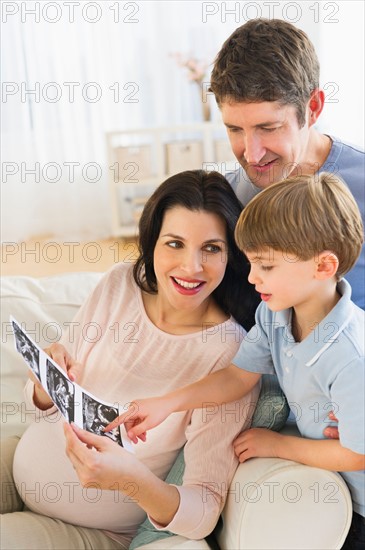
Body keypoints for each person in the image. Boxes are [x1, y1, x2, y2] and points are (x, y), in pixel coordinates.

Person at [0, 170, 260, 550]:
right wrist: (43, 387)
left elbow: (203, 511)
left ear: (231, 255)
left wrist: (128, 480)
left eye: (211, 248)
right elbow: (45, 409)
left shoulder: (231, 359)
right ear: (152, 243)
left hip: (92, 531)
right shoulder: (120, 284)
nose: (191, 267)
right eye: (175, 243)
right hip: (19, 465)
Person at [115, 173, 364, 549]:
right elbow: (236, 375)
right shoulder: (275, 314)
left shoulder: (351, 357)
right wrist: (166, 403)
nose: (251, 277)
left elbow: (356, 454)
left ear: (324, 267)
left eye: (266, 266)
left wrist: (278, 446)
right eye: (250, 263)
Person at [211, 18, 364, 311]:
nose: (252, 156)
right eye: (235, 130)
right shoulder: (226, 196)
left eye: (268, 128)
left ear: (313, 108)